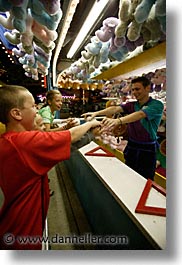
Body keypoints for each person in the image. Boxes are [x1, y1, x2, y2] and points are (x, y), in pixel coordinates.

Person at [0, 85, 100, 250]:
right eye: (33, 106)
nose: (37, 111)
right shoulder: (24, 142)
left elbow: (61, 147)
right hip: (23, 231)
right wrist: (91, 124)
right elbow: (71, 136)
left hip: (17, 222)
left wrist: (91, 136)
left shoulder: (11, 142)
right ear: (16, 113)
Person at [82, 76, 164, 180]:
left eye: (137, 89)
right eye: (133, 89)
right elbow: (116, 108)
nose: (134, 92)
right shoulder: (132, 105)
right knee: (129, 174)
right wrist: (96, 113)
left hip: (147, 148)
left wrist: (118, 121)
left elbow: (140, 114)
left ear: (147, 88)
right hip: (132, 145)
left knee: (145, 178)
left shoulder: (156, 105)